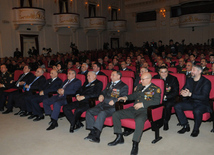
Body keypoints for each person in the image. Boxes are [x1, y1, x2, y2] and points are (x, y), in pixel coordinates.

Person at [108, 72, 161, 155]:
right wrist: (126, 97)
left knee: (139, 120)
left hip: (145, 111)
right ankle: (119, 137)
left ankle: (135, 144)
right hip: (133, 109)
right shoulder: (140, 86)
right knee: (116, 114)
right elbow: (134, 95)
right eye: (141, 79)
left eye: (143, 79)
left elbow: (156, 101)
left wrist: (142, 104)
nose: (141, 80)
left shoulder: (155, 89)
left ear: (149, 79)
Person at [84, 71, 128, 143]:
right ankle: (92, 132)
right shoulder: (109, 84)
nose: (111, 77)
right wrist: (101, 95)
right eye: (111, 75)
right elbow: (103, 92)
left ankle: (97, 136)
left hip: (113, 107)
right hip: (103, 104)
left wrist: (115, 100)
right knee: (89, 111)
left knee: (102, 113)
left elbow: (124, 97)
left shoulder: (123, 86)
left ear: (118, 76)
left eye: (113, 75)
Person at [175, 65, 212, 137]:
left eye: (194, 70)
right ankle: (185, 125)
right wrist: (182, 92)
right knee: (177, 106)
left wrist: (190, 94)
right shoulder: (189, 80)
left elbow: (204, 97)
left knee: (197, 111)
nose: (191, 71)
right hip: (191, 102)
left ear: (200, 71)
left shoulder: (206, 82)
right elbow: (183, 89)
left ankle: (196, 129)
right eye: (191, 70)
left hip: (202, 103)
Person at [153, 66, 179, 130]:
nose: (164, 74)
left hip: (169, 97)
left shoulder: (173, 79)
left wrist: (166, 96)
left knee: (167, 105)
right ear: (159, 72)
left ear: (168, 72)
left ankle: (166, 121)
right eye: (162, 72)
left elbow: (175, 92)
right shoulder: (154, 78)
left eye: (165, 72)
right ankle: (156, 120)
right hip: (157, 97)